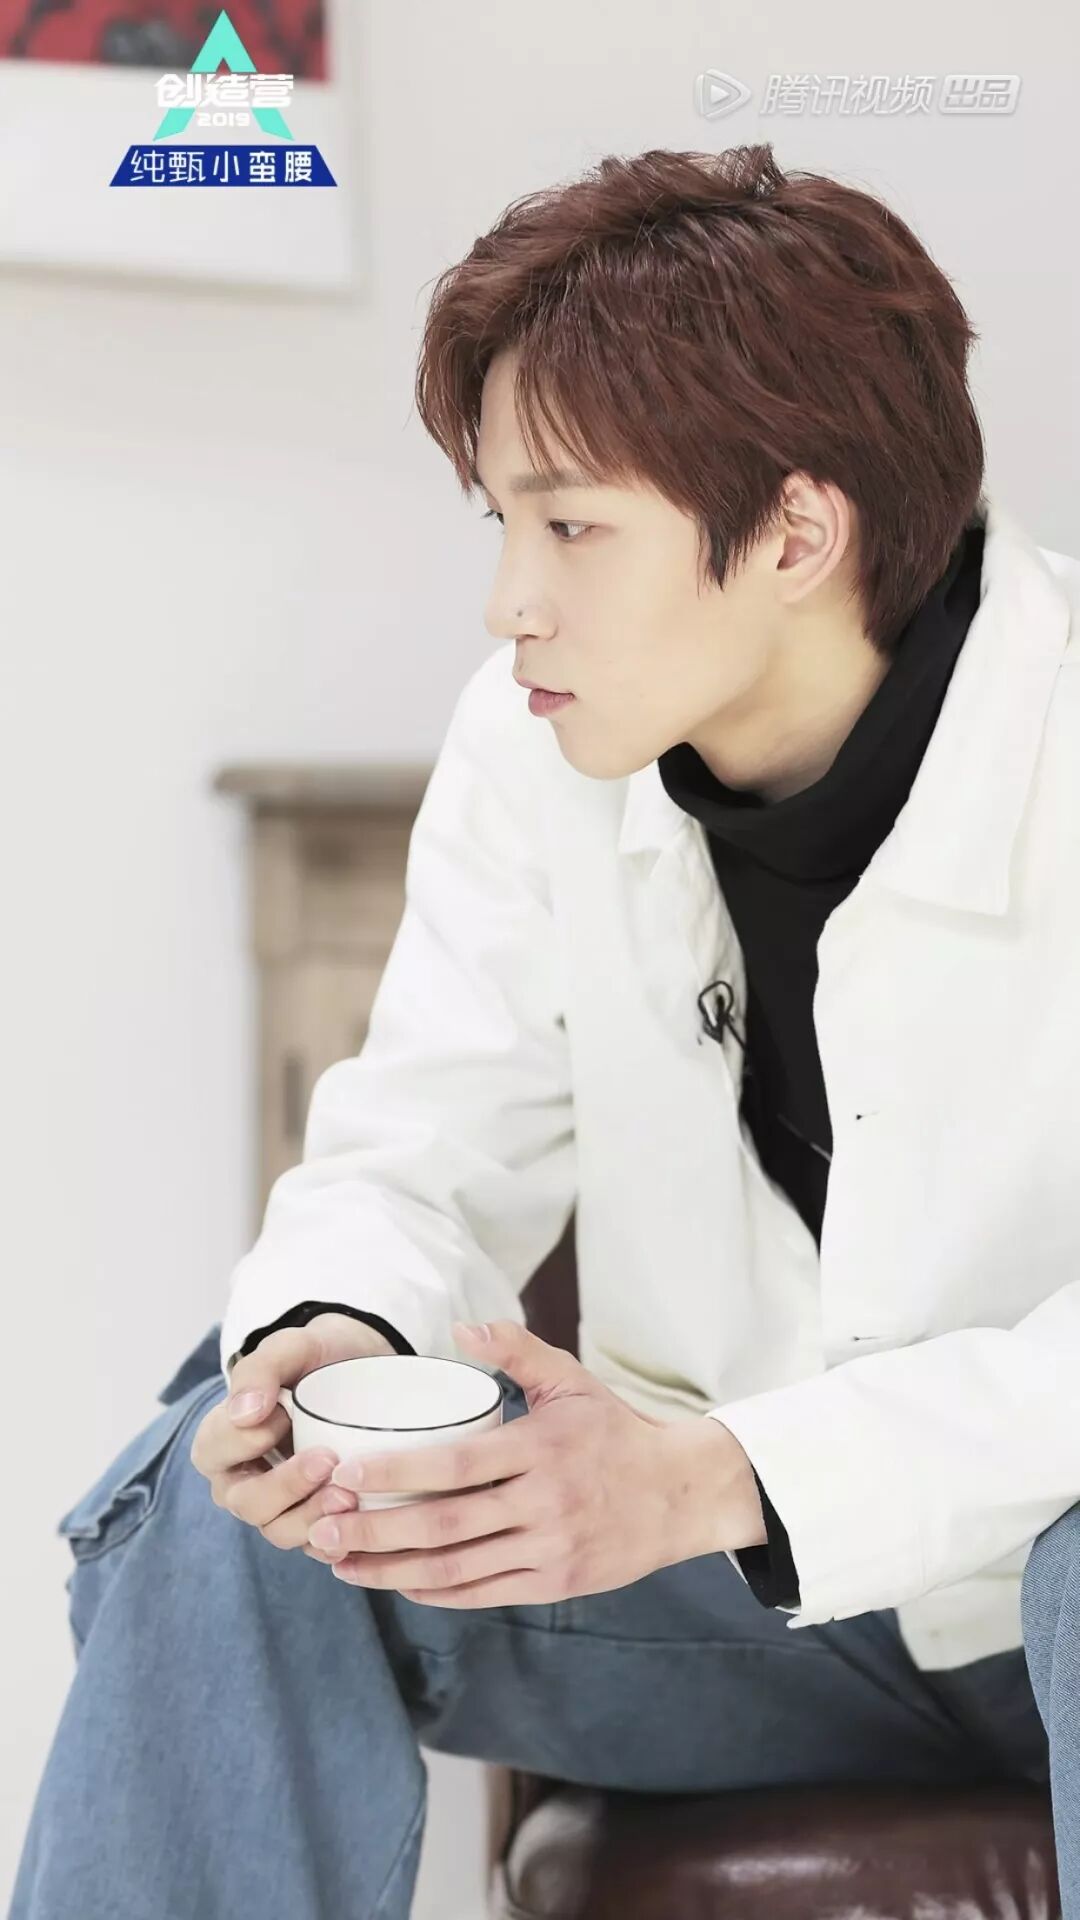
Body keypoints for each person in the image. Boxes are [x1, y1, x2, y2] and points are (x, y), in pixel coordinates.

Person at [12, 142, 1080, 1920]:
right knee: (229, 1507)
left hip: (1033, 1584)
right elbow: (417, 1155)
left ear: (797, 533)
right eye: (502, 524)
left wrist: (729, 1475)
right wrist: (338, 1348)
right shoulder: (532, 749)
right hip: (757, 1638)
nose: (512, 599)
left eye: (570, 526)